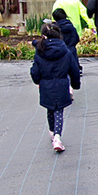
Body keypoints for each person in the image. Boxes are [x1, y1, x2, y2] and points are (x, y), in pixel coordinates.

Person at [29, 21, 81, 152]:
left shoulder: (40, 51)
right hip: (62, 84)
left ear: (44, 36)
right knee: (59, 110)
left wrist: (37, 81)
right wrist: (75, 84)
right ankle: (57, 136)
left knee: (50, 108)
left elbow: (35, 70)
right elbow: (73, 69)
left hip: (46, 85)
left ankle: (52, 132)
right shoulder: (65, 51)